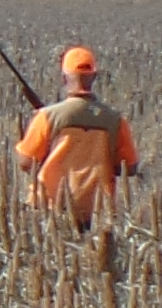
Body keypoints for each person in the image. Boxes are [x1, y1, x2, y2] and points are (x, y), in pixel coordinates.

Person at [14, 44, 141, 224]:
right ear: (94, 77)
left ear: (64, 78)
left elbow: (26, 162)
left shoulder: (47, 117)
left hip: (49, 210)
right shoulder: (116, 121)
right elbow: (129, 167)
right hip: (96, 213)